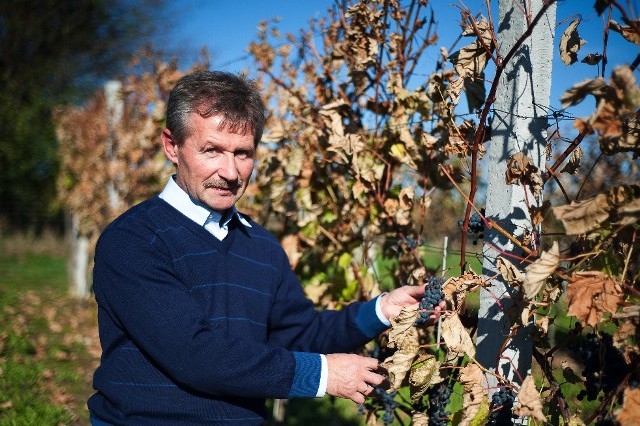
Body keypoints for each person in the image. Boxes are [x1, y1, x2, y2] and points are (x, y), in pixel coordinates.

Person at [88, 70, 437, 425]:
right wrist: (323, 375)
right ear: (172, 146)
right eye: (212, 150)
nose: (230, 171)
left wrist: (380, 311)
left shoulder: (262, 247)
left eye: (243, 154)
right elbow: (193, 354)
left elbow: (300, 336)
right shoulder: (133, 240)